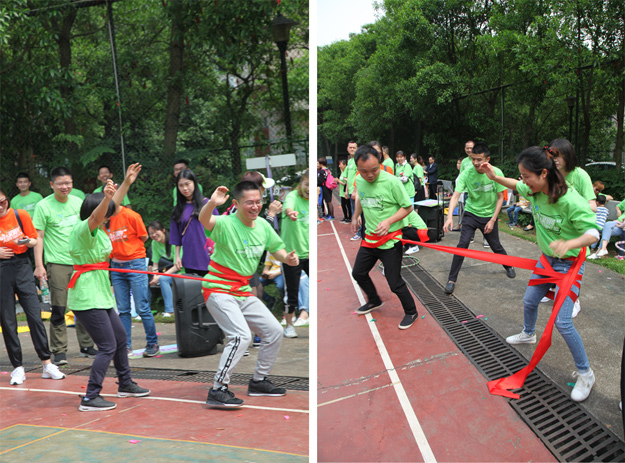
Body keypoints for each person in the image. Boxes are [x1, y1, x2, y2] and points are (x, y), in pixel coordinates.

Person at [481, 146, 600, 402]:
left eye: (527, 176)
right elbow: (514, 184)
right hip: (547, 261)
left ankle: (586, 374)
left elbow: (593, 233)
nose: (523, 181)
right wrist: (494, 177)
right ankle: (528, 333)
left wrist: (569, 243)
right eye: (522, 176)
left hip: (569, 265)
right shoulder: (534, 189)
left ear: (544, 173)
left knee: (563, 322)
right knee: (529, 301)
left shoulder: (570, 200)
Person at [197, 181, 300, 408]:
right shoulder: (225, 223)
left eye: (258, 202)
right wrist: (212, 203)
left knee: (274, 331)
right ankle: (218, 389)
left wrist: (287, 258)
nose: (255, 206)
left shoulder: (263, 225)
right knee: (240, 336)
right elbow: (204, 220)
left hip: (243, 290)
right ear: (236, 203)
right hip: (219, 289)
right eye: (249, 202)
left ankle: (259, 381)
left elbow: (277, 248)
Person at [67, 169, 151, 411]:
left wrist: (126, 183)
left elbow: (110, 208)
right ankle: (90, 397)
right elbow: (98, 214)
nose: (110, 213)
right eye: (105, 208)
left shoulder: (101, 227)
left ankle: (125, 384)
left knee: (120, 338)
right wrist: (106, 198)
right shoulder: (84, 229)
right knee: (107, 346)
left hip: (100, 294)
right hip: (87, 295)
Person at [0, 188, 66, 385]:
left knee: (35, 315)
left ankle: (46, 363)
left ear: (7, 199)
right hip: (2, 269)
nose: (1, 206)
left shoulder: (20, 215)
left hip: (22, 265)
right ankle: (17, 367)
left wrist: (28, 241)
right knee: (8, 320)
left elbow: (35, 239)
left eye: (2, 201)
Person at [350, 145, 419, 330]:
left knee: (394, 282)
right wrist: (355, 216)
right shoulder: (360, 179)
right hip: (370, 239)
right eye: (364, 171)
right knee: (358, 273)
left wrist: (389, 221)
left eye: (374, 170)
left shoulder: (391, 182)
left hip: (390, 241)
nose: (369, 175)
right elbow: (360, 198)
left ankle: (411, 311)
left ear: (380, 162)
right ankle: (374, 300)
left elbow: (407, 207)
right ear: (357, 168)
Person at [33, 167, 96, 365]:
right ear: (52, 185)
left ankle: (87, 345)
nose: (64, 187)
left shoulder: (78, 202)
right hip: (57, 264)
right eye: (60, 183)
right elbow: (39, 236)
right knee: (59, 308)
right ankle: (59, 350)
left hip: (80, 263)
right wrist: (39, 266)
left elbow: (87, 229)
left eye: (68, 183)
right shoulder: (43, 206)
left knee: (84, 305)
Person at [442, 142, 516, 295]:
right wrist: (449, 217)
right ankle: (451, 280)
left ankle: (508, 266)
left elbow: (500, 198)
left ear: (487, 159)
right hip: (471, 213)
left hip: (489, 216)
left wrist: (493, 220)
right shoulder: (467, 173)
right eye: (473, 159)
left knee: (496, 246)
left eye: (479, 160)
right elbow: (455, 195)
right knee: (462, 244)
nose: (475, 163)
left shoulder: (496, 173)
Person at [106, 181, 159, 357]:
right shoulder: (105, 220)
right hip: (116, 267)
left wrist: (129, 251)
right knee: (123, 310)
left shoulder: (132, 216)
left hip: (135, 263)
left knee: (142, 307)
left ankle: (152, 343)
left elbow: (143, 237)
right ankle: (125, 346)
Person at [281, 171, 310, 338]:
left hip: (309, 254)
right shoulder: (292, 196)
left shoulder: (312, 201)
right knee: (291, 293)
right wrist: (290, 212)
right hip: (292, 255)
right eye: (306, 184)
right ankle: (289, 326)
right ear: (301, 184)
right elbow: (288, 207)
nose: (309, 189)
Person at [170, 169, 214, 276]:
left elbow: (219, 229)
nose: (185, 188)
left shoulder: (207, 204)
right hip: (190, 258)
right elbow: (176, 237)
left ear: (194, 183)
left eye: (187, 184)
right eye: (181, 185)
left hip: (209, 256)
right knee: (193, 286)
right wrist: (177, 257)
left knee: (211, 285)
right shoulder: (177, 209)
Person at [548, 139, 596, 211]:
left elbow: (593, 207)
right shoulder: (548, 175)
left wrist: (570, 207)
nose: (555, 159)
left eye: (558, 156)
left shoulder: (581, 175)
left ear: (568, 156)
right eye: (552, 156)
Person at [148, 221, 178, 317]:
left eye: (156, 231)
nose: (154, 235)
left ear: (163, 230)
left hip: (183, 271)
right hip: (169, 272)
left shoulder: (174, 240)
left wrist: (159, 276)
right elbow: (155, 264)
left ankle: (170, 311)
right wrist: (155, 276)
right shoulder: (154, 243)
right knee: (148, 278)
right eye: (151, 233)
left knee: (163, 279)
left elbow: (178, 266)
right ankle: (145, 310)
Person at [346, 141, 361, 240]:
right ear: (347, 148)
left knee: (357, 212)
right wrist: (346, 190)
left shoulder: (358, 160)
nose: (352, 149)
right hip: (350, 190)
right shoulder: (350, 161)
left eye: (354, 147)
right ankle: (359, 231)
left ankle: (360, 232)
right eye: (350, 147)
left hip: (356, 191)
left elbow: (358, 176)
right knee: (353, 211)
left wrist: (355, 190)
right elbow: (349, 177)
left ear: (357, 148)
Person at [337, 159, 352, 223]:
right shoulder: (342, 171)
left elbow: (347, 182)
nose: (339, 166)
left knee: (348, 205)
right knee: (343, 205)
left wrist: (339, 181)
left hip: (346, 191)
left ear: (345, 165)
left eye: (340, 164)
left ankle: (350, 217)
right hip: (341, 191)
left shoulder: (347, 171)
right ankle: (345, 217)